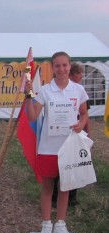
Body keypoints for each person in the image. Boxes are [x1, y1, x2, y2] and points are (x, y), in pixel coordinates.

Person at [25, 52, 89, 233]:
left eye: (65, 65)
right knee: (47, 187)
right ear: (52, 68)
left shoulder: (78, 89)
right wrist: (28, 96)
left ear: (69, 66)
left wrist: (81, 123)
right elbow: (32, 116)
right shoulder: (45, 90)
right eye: (57, 66)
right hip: (48, 148)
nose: (61, 69)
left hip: (68, 147)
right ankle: (46, 224)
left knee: (65, 187)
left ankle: (60, 224)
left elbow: (84, 113)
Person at [52, 62, 91, 207]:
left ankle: (72, 196)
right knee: (59, 166)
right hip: (58, 134)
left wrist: (85, 129)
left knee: (74, 164)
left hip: (75, 133)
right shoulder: (53, 90)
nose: (81, 76)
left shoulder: (79, 90)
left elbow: (85, 114)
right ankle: (55, 197)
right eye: (79, 73)